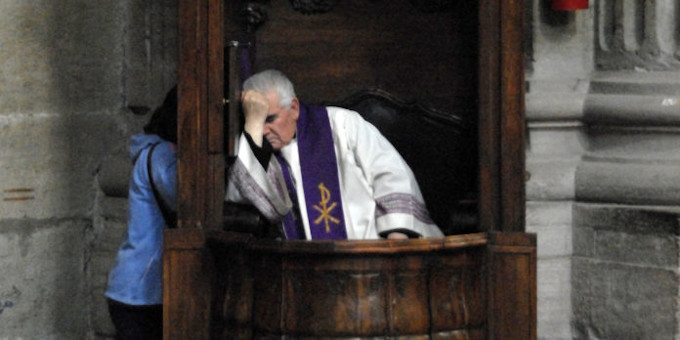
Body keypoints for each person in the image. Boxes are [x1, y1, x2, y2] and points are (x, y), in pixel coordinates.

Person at [225, 70, 443, 240]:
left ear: (294, 108)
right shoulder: (260, 150)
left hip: (370, 250)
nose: (263, 131)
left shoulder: (342, 125)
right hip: (305, 266)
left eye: (270, 119)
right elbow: (265, 203)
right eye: (257, 122)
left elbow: (390, 173)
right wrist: (252, 123)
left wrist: (396, 236)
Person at [105, 87, 178, 340]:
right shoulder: (162, 155)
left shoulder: (154, 149)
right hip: (141, 291)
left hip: (134, 288)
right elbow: (185, 201)